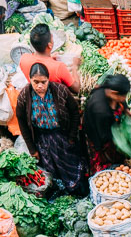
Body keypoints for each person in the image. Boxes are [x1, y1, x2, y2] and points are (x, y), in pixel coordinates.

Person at [16, 63, 87, 194]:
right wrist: (32, 149)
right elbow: (22, 123)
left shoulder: (60, 90)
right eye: (35, 82)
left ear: (48, 79)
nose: (39, 86)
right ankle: (58, 190)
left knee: (70, 163)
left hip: (62, 136)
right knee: (50, 167)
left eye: (43, 82)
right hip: (42, 139)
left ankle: (76, 189)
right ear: (30, 80)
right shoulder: (24, 96)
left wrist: (72, 136)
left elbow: (75, 112)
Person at [83, 74, 131, 173]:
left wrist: (129, 113)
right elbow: (105, 136)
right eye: (124, 96)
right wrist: (123, 140)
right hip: (99, 136)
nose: (124, 99)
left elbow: (122, 102)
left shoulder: (107, 89)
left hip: (108, 127)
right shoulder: (101, 110)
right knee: (104, 161)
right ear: (114, 93)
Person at [19, 24, 80, 94]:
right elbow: (77, 89)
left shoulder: (24, 59)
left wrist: (50, 57)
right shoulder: (58, 67)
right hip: (54, 102)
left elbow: (40, 63)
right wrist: (75, 66)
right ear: (49, 45)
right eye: (52, 37)